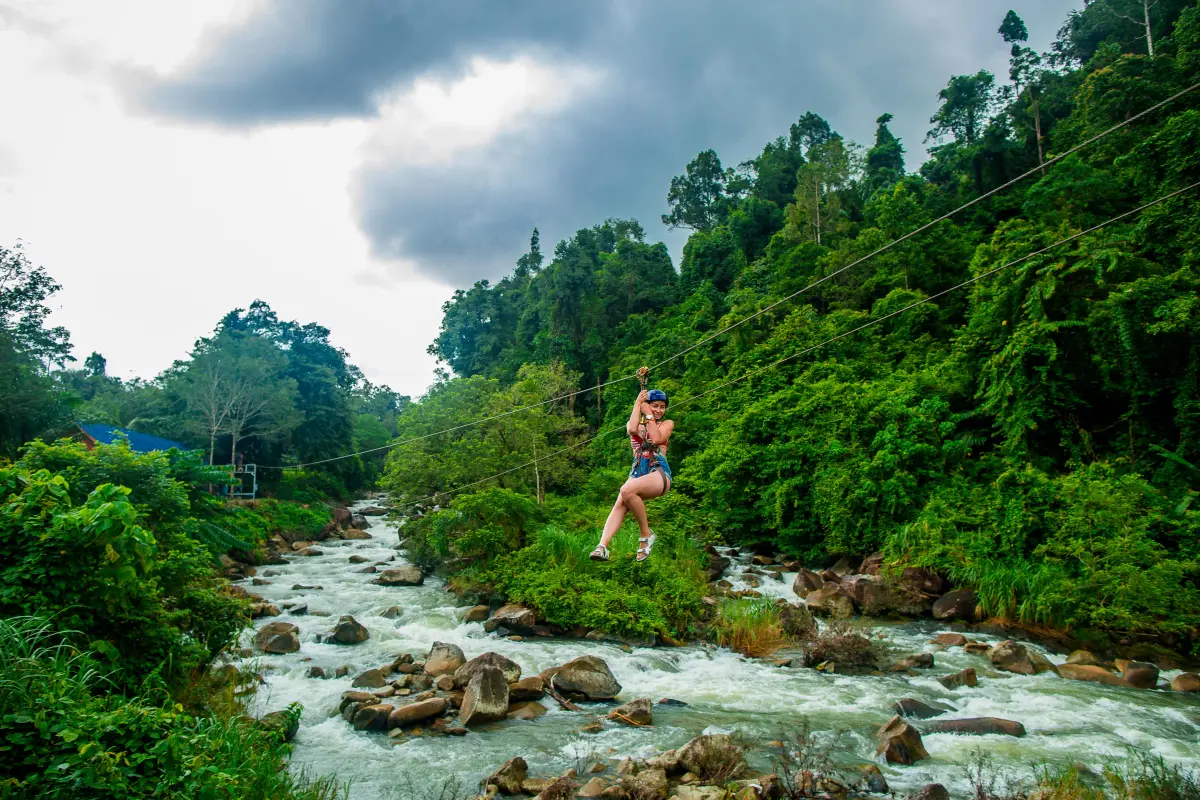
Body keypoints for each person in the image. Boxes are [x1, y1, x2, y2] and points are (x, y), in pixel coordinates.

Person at [590, 388, 674, 562]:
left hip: (658, 471)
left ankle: (646, 534)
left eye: (662, 407)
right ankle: (602, 546)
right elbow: (631, 429)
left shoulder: (667, 424)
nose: (659, 410)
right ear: (647, 406)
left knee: (626, 490)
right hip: (637, 471)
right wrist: (638, 403)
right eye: (655, 406)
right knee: (621, 500)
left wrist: (649, 415)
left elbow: (657, 439)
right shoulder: (637, 425)